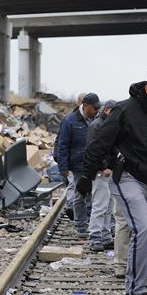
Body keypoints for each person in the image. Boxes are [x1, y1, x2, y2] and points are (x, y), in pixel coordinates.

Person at [77, 72, 147, 295]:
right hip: (126, 178)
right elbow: (100, 142)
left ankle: (136, 288)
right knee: (144, 230)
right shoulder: (124, 110)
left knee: (145, 233)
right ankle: (135, 290)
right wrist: (87, 175)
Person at [58, 92, 101, 237]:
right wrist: (63, 167)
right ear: (85, 106)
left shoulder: (98, 118)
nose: (96, 111)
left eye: (98, 108)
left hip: (94, 164)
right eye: (94, 108)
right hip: (78, 165)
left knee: (93, 195)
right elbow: (62, 144)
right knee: (80, 195)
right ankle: (81, 226)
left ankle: (90, 222)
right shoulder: (70, 120)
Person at [87, 100, 116, 252]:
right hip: (100, 172)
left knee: (107, 206)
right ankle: (95, 237)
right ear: (107, 110)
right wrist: (103, 167)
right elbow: (94, 149)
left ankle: (105, 237)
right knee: (100, 205)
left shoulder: (106, 124)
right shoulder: (97, 126)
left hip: (107, 172)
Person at [56, 92, 86, 220]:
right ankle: (71, 206)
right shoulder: (69, 119)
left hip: (80, 160)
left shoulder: (91, 117)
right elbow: (61, 141)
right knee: (73, 183)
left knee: (74, 184)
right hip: (73, 159)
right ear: (79, 103)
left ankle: (73, 207)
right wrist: (61, 162)